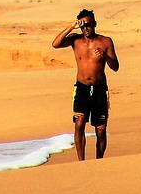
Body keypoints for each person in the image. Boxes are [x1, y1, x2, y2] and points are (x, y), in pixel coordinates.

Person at [51, 9, 119, 160]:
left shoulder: (105, 41)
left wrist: (105, 56)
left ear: (94, 24)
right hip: (81, 87)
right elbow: (55, 44)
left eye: (88, 25)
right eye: (82, 25)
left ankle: (99, 160)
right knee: (79, 123)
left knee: (100, 129)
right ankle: (81, 161)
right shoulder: (76, 40)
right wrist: (71, 27)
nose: (85, 28)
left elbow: (115, 66)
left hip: (99, 88)